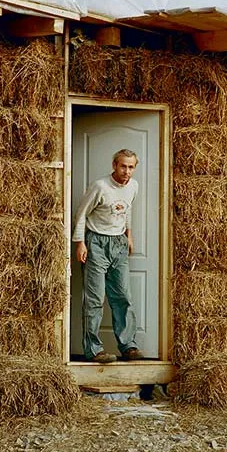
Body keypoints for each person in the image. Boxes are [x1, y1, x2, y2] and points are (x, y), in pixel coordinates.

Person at [72, 149, 145, 363]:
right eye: (123, 166)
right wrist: (80, 243)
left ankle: (128, 346)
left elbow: (127, 210)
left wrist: (129, 235)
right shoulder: (100, 186)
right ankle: (94, 350)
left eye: (131, 167)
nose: (126, 171)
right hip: (96, 243)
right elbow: (81, 214)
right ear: (114, 165)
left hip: (119, 243)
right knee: (94, 299)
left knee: (123, 297)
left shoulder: (133, 186)